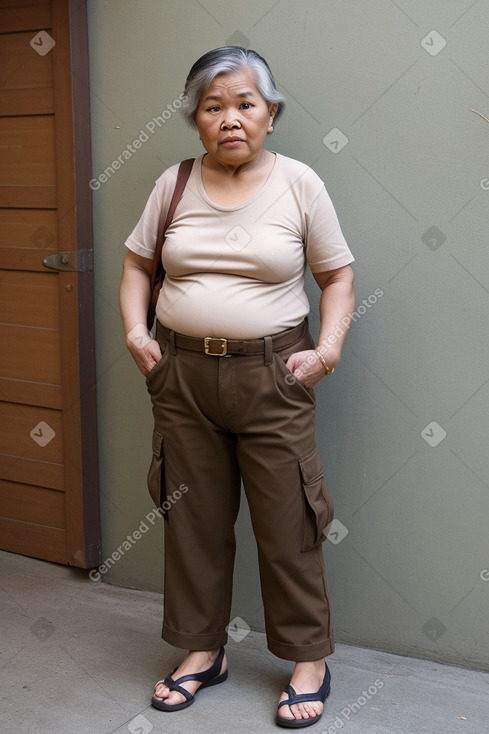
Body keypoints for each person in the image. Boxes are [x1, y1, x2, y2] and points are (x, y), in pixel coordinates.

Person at [119, 46, 355, 729]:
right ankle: (202, 651)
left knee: (290, 523)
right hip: (183, 376)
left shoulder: (299, 184)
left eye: (244, 104)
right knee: (191, 521)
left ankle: (308, 659)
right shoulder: (173, 182)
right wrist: (138, 334)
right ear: (195, 119)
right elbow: (137, 264)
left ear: (270, 114)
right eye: (213, 106)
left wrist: (327, 350)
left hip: (271, 376)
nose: (230, 118)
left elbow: (336, 276)